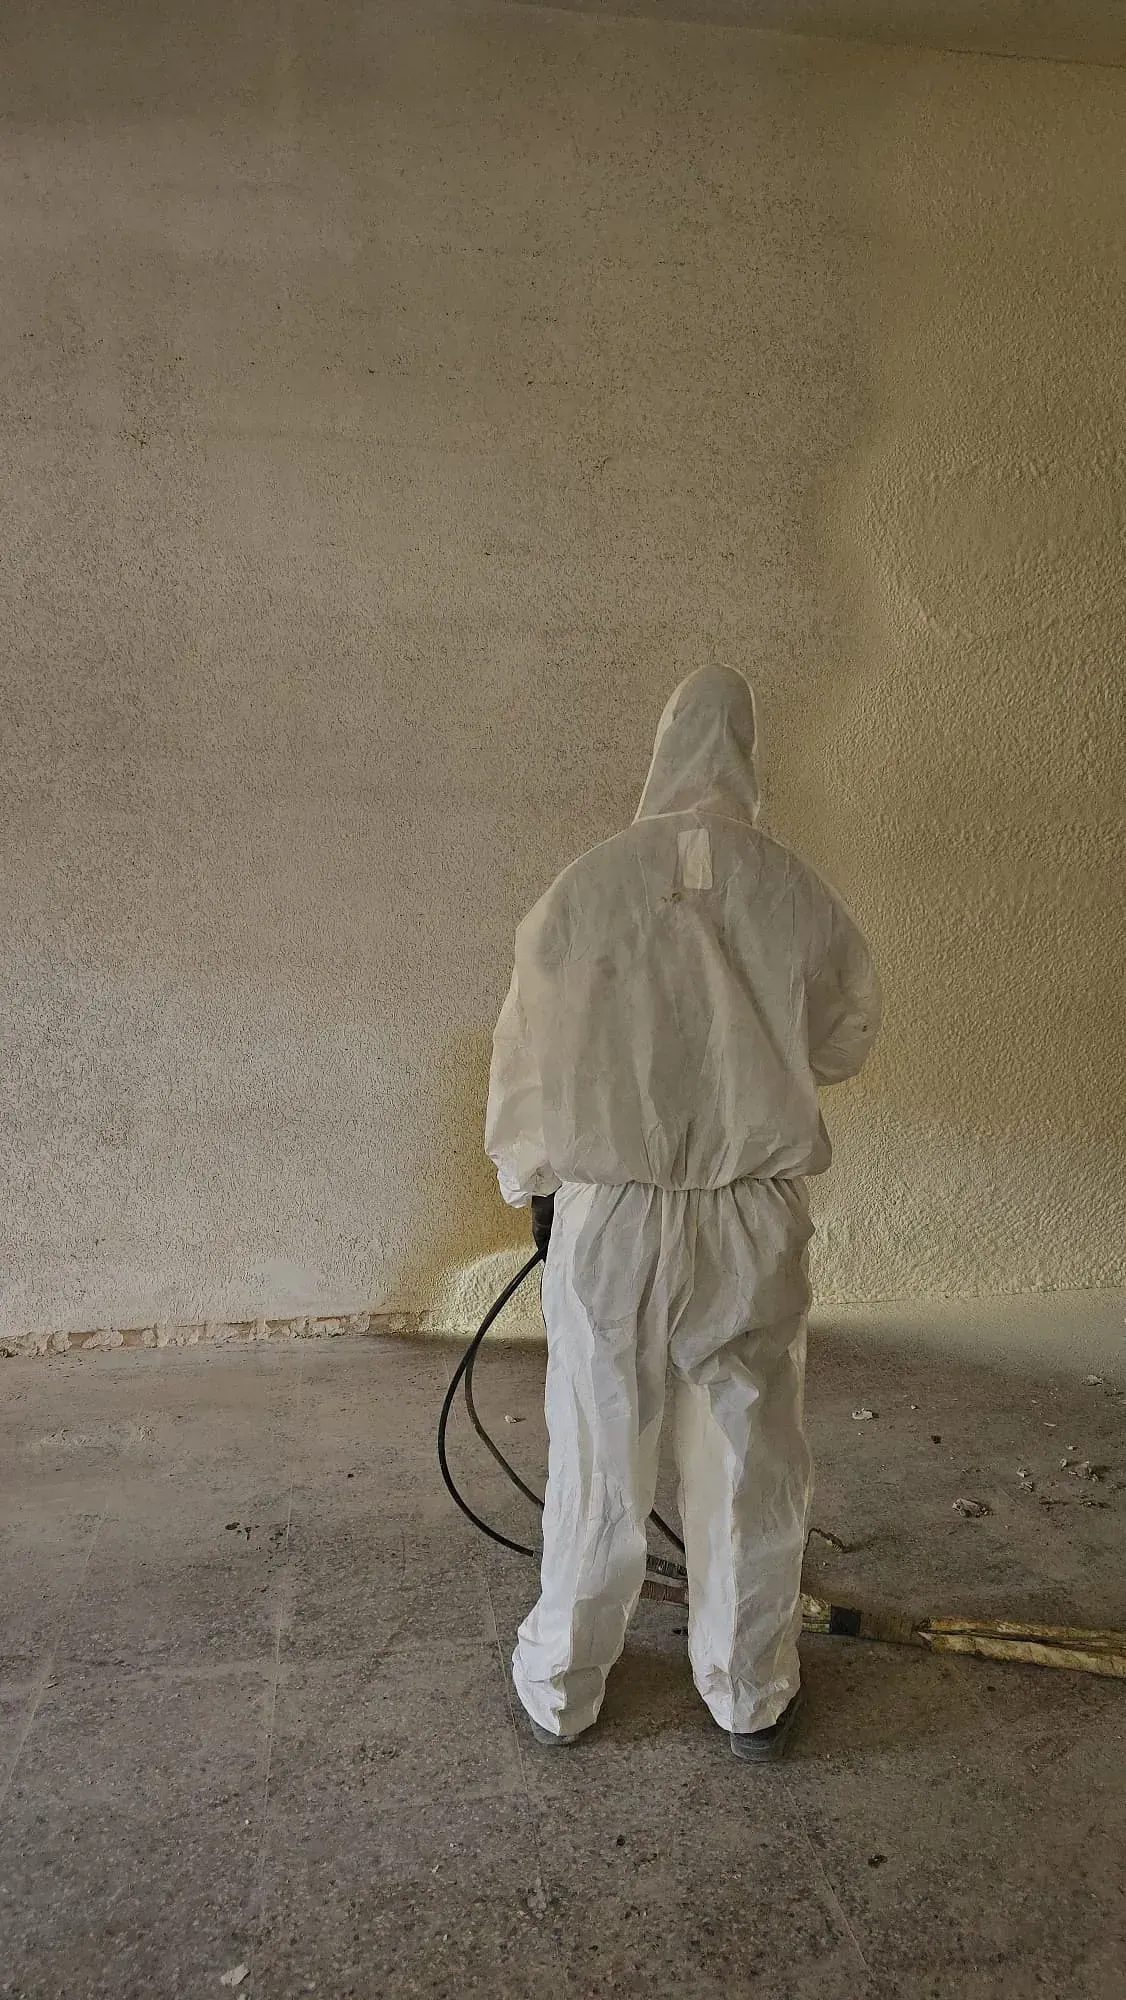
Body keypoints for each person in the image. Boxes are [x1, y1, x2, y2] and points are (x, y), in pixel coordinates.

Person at [484, 666, 880, 1759]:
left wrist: (529, 1179)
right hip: (751, 1212)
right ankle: (749, 1689)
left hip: (611, 1215)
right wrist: (752, 1056)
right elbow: (845, 1037)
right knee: (749, 1455)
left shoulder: (586, 886)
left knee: (599, 1449)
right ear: (745, 754)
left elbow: (523, 1054)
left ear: (661, 750)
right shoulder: (792, 889)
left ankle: (562, 1685)